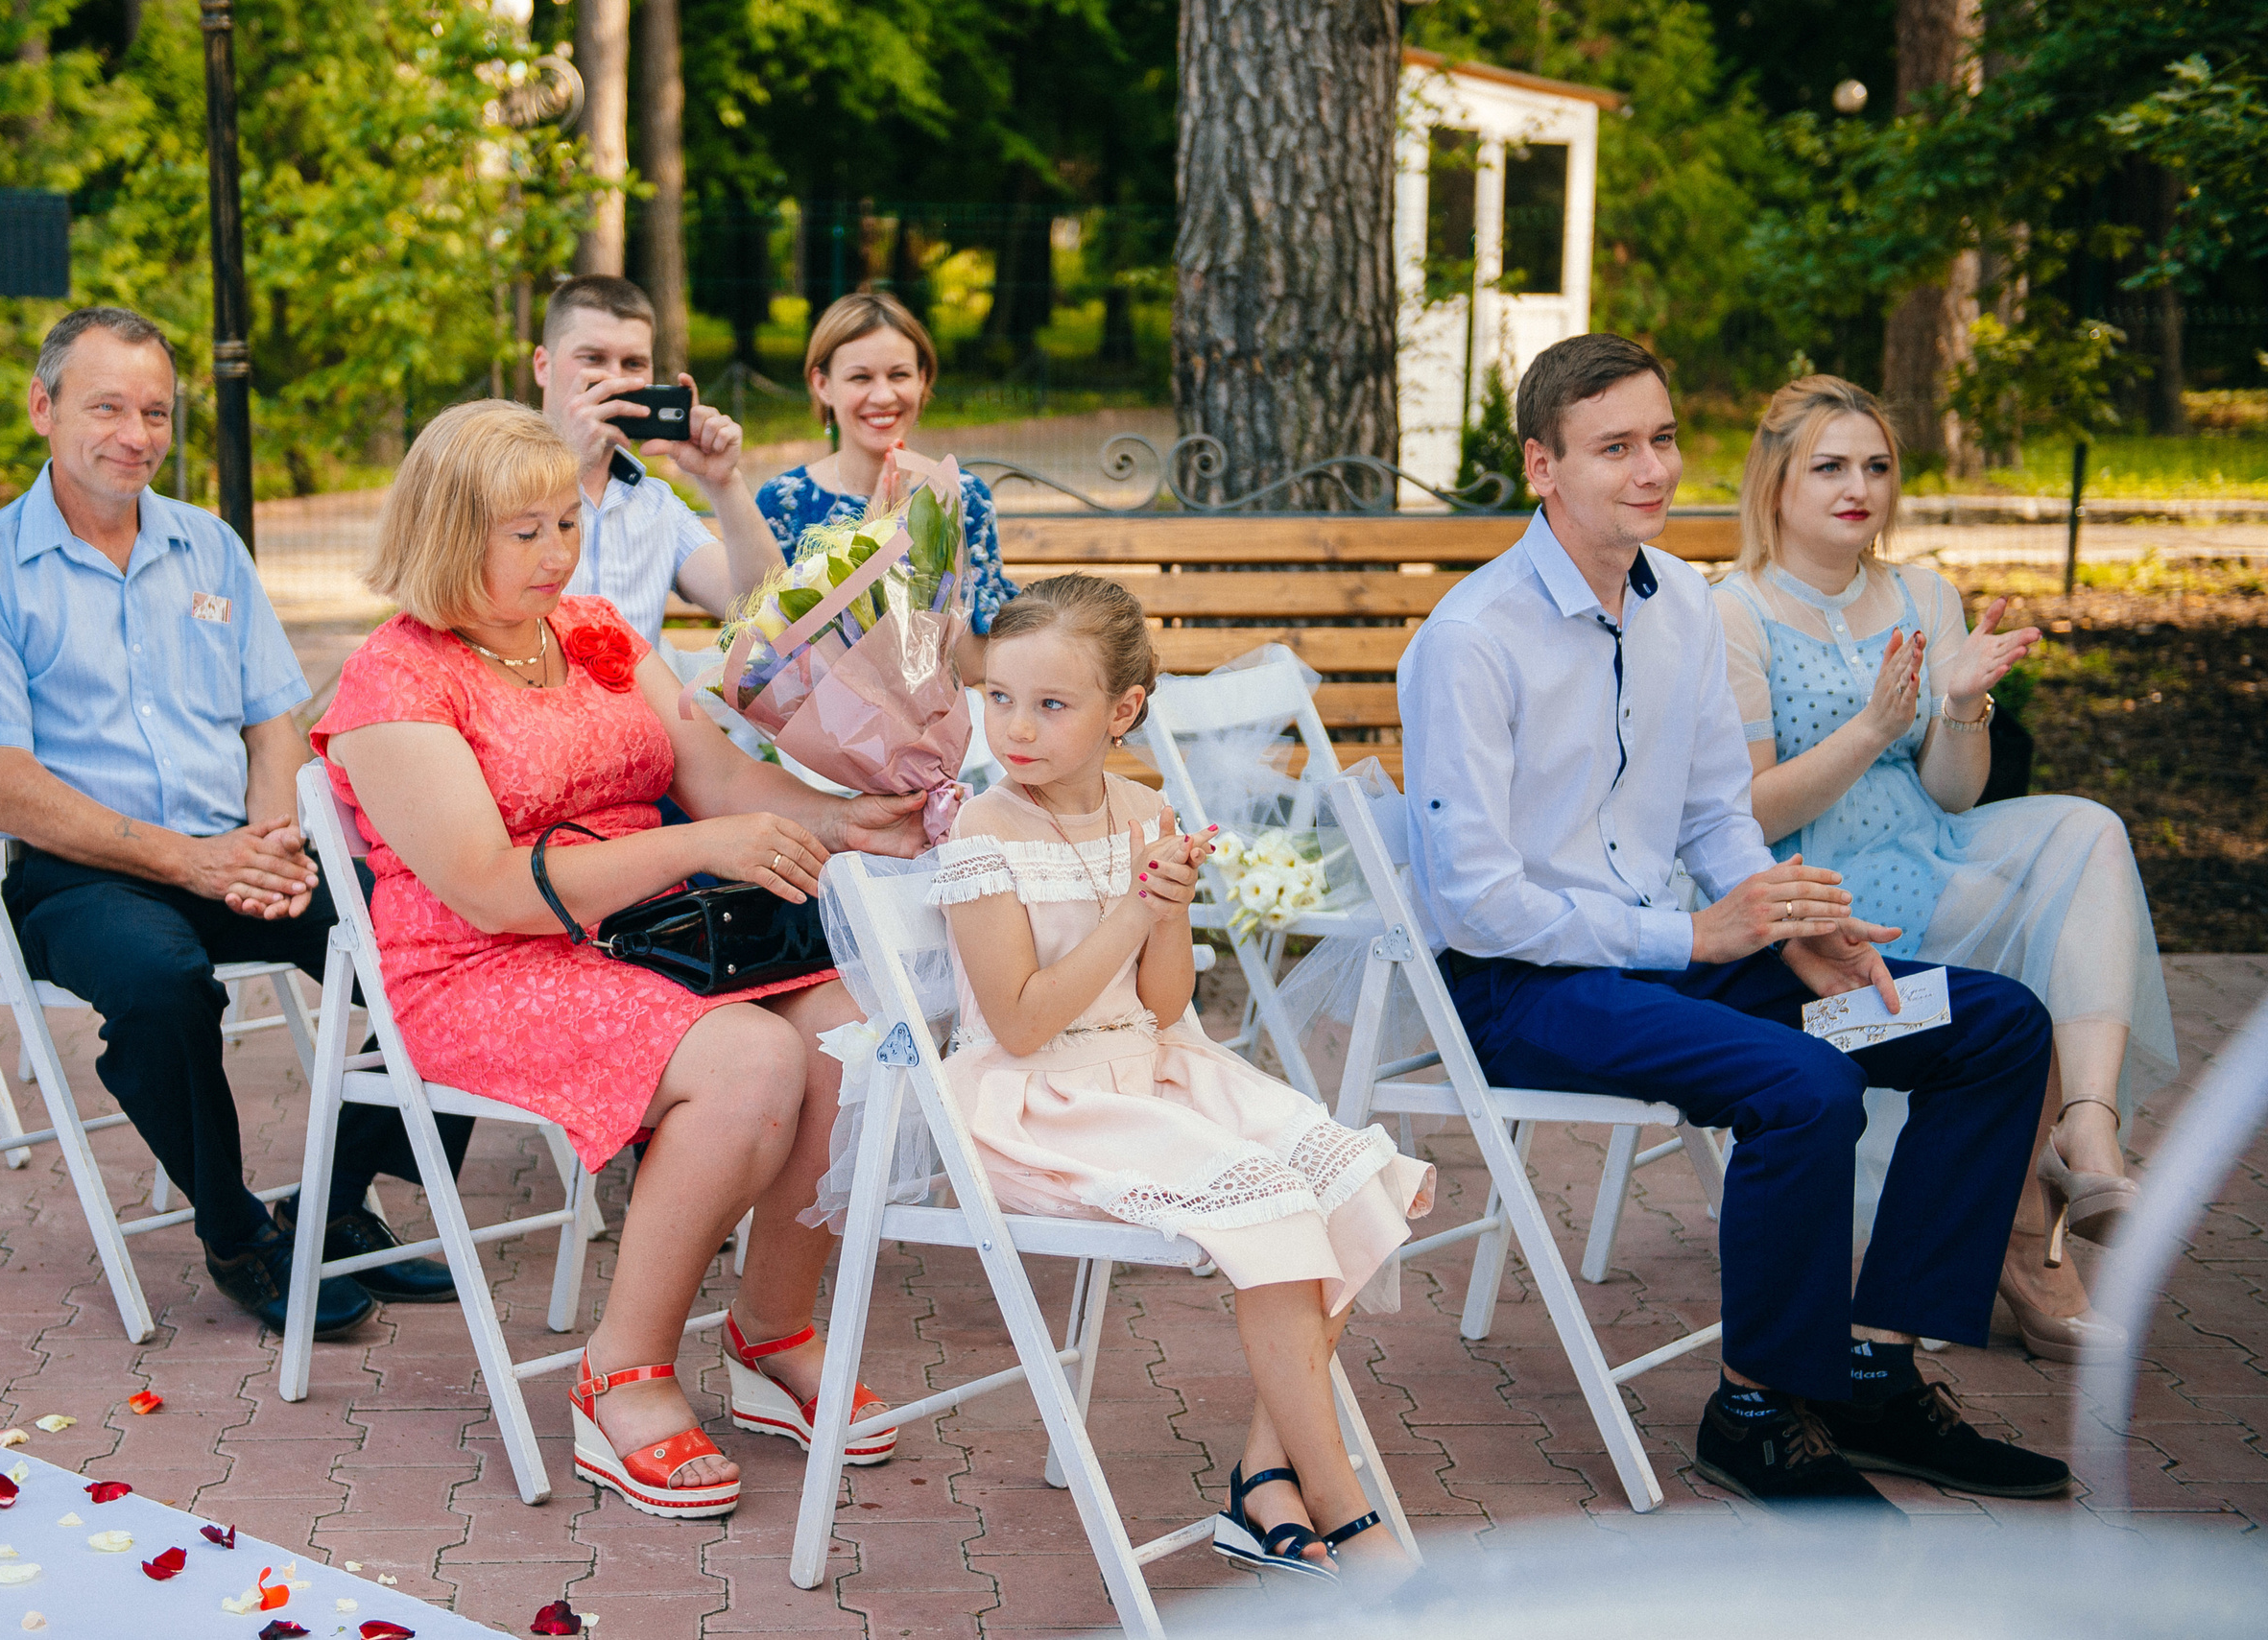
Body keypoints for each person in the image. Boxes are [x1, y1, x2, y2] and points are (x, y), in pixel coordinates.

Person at [1399, 333, 2070, 1516]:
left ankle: (1873, 1362)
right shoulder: (1470, 638)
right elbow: (1471, 898)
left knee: (1993, 1026)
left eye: (1661, 438)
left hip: (1683, 957)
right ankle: (1755, 1406)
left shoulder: (1680, 610)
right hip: (1530, 989)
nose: (1651, 468)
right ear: (1542, 465)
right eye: (1614, 447)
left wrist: (1791, 923)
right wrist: (1700, 938)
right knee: (1803, 1083)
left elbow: (1716, 810)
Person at [313, 399, 932, 1521]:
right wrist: (697, 846)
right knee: (749, 1062)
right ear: (450, 532)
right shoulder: (396, 681)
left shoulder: (592, 629)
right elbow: (490, 886)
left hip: (653, 932)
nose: (561, 552)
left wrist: (852, 820)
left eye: (566, 522)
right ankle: (622, 1370)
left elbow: (720, 778)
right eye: (526, 532)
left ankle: (771, 1331)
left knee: (851, 1033)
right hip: (482, 964)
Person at [0, 305, 461, 1342]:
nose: (136, 432)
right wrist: (194, 864)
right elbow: (4, 789)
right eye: (106, 405)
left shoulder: (209, 545)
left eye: (154, 410)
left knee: (447, 927)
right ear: (42, 408)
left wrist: (268, 843)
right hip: (81, 875)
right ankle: (237, 1229)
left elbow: (272, 723)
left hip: (237, 847)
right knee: (163, 985)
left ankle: (332, 1202)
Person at [930, 575, 1434, 1581]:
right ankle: (1336, 1499)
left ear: (1122, 710)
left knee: (1349, 1171)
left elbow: (1162, 1004)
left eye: (1051, 704)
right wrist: (1128, 909)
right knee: (1276, 1208)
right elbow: (1022, 1023)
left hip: (1155, 1065)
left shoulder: (1146, 808)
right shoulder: (984, 828)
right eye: (998, 697)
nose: (1015, 727)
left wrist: (1165, 906)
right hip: (1045, 1099)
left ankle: (1261, 1474)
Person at [1716, 374, 2175, 1361]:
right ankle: (2024, 1242)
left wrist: (1960, 704)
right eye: (1830, 465)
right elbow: (1750, 811)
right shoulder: (1733, 613)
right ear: (1776, 481)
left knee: (2086, 830)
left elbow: (1954, 792)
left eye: (1877, 466)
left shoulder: (1922, 592)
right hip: (1825, 910)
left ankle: (2084, 1134)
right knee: (2031, 948)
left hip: (1933, 851)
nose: (1859, 487)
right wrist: (1871, 726)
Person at [756, 293, 1016, 667]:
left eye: (899, 375)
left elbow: (978, 663)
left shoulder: (961, 495)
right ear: (823, 385)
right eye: (860, 377)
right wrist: (874, 542)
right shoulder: (784, 501)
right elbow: (779, 661)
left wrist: (923, 548)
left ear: (922, 379)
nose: (883, 395)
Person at [533, 274, 786, 644]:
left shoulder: (657, 506)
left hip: (641, 701)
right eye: (593, 359)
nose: (615, 379)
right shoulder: (488, 476)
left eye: (633, 363)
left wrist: (723, 482)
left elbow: (763, 608)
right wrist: (569, 465)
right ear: (543, 365)